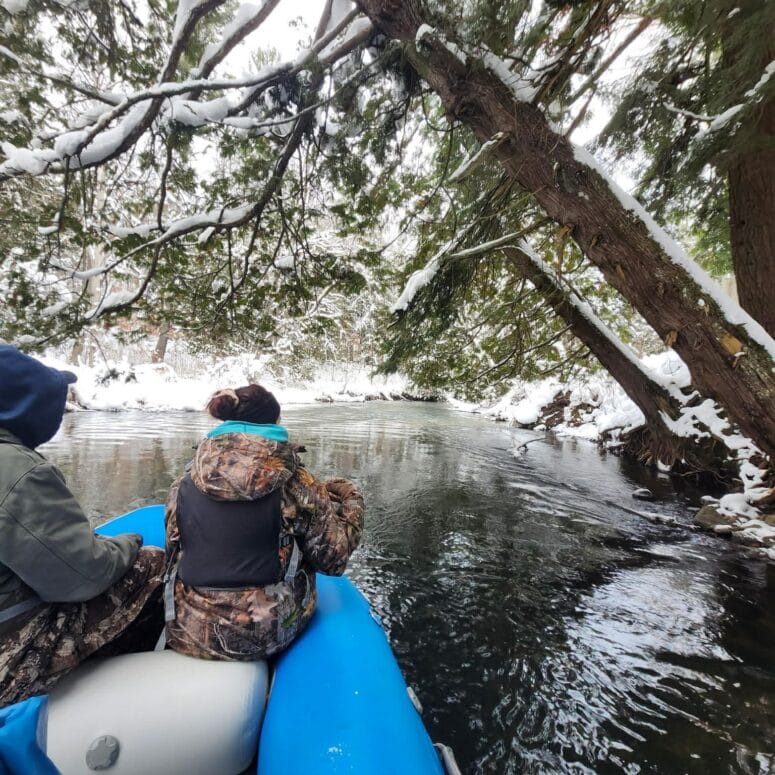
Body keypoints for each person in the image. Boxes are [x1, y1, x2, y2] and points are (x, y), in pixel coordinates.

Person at [0, 346, 165, 707]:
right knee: (151, 564)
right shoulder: (17, 470)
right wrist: (130, 543)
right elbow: (82, 577)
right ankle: (123, 691)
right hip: (5, 659)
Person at [164, 384, 364, 660]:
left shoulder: (185, 479)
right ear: (274, 425)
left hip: (190, 630)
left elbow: (173, 549)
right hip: (263, 636)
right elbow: (333, 560)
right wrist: (352, 499)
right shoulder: (297, 483)